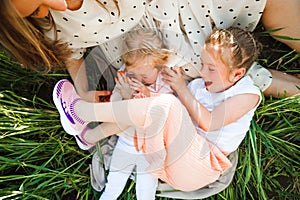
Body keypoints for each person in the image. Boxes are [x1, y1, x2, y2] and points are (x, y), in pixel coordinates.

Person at [53, 27, 262, 192]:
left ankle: (80, 111)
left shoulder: (248, 94)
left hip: (200, 165)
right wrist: (143, 95)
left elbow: (208, 122)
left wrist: (181, 88)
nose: (203, 71)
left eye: (211, 68)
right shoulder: (199, 86)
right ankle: (89, 136)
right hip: (166, 159)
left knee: (167, 105)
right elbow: (168, 117)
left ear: (237, 74)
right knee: (150, 112)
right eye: (203, 63)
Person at [1, 0, 299, 103]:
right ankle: (268, 82)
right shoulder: (47, 27)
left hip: (179, 7)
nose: (59, 6)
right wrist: (83, 89)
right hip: (146, 47)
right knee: (213, 72)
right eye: (37, 10)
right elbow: (71, 53)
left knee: (276, 8)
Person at [100, 29, 174, 200]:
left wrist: (146, 95)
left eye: (145, 76)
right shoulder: (125, 78)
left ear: (160, 65)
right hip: (127, 141)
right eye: (133, 74)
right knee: (113, 185)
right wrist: (126, 96)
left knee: (146, 191)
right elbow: (116, 112)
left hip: (152, 147)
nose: (138, 80)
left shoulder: (165, 81)